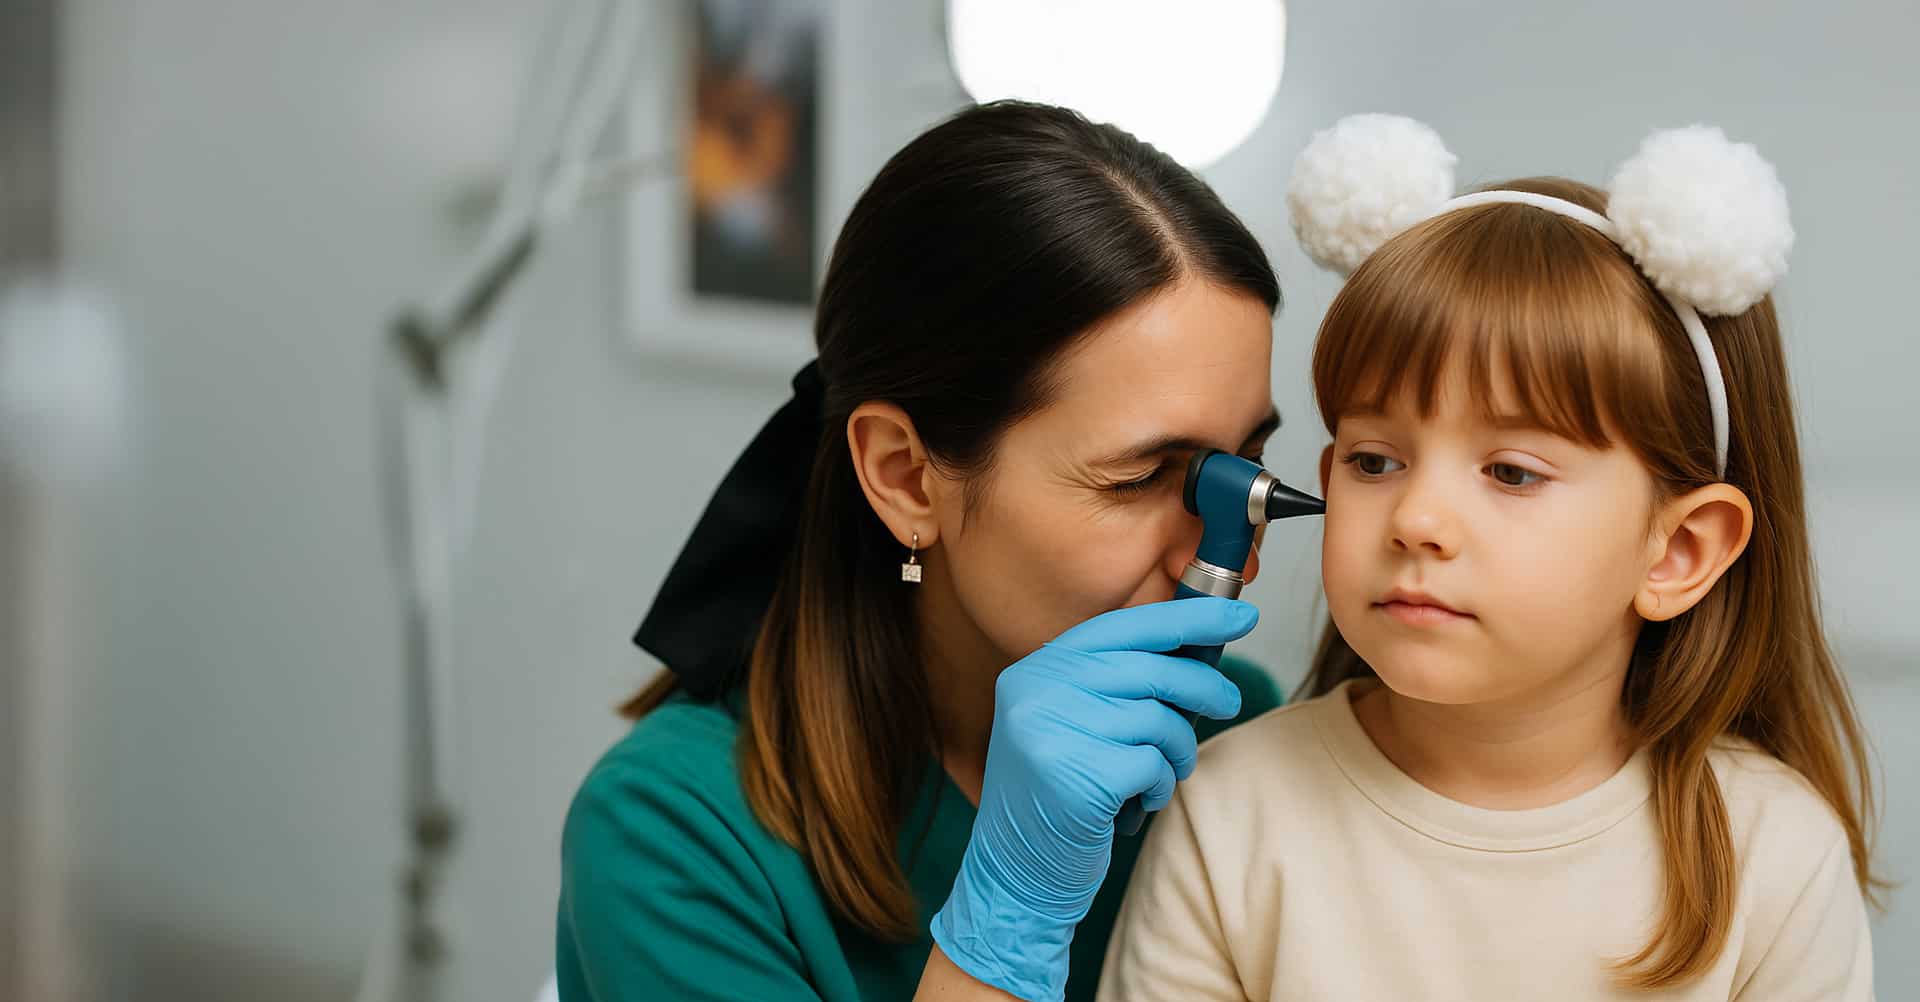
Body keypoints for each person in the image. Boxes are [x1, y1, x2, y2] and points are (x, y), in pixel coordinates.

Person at [1100, 115, 1882, 1000]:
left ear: (1678, 552)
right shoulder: (1231, 810)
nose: (1416, 519)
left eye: (1512, 471)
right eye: (1375, 462)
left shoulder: (1775, 857)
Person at [557, 100, 1299, 1002]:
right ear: (907, 477)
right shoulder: (674, 834)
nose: (1224, 559)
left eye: (1245, 469)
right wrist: (1011, 914)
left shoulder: (1238, 738)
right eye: (1141, 478)